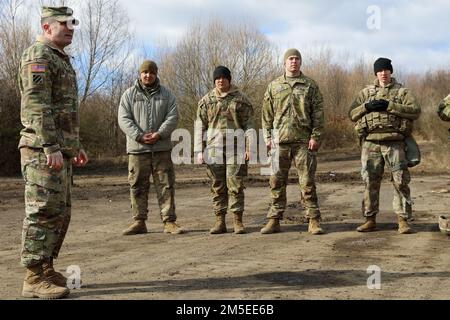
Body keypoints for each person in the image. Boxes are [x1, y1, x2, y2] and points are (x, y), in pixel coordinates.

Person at [18, 6, 87, 299]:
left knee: (60, 213)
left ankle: (45, 268)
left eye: (73, 23)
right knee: (43, 212)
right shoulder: (39, 56)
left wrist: (73, 146)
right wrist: (50, 145)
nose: (71, 28)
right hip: (41, 151)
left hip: (59, 151)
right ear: (47, 27)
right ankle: (33, 277)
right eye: (64, 23)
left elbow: (62, 110)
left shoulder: (59, 59)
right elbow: (36, 106)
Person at [348, 57, 421, 234]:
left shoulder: (402, 92)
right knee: (370, 181)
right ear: (376, 73)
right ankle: (370, 219)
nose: (383, 73)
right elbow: (352, 113)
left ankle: (402, 221)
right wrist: (366, 106)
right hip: (371, 143)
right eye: (380, 71)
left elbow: (415, 111)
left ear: (391, 71)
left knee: (400, 180)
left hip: (395, 143)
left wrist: (390, 105)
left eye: (386, 70)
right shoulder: (366, 93)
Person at [261, 49, 325, 235]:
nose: (294, 62)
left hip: (303, 142)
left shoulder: (310, 85)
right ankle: (274, 220)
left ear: (300, 63)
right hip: (279, 142)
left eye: (297, 59)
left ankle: (313, 220)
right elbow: (266, 115)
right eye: (290, 59)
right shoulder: (274, 86)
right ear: (284, 63)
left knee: (307, 182)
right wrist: (267, 138)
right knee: (275, 181)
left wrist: (316, 136)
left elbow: (318, 114)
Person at [118, 60, 184, 236]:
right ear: (140, 74)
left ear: (156, 74)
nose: (148, 75)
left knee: (166, 185)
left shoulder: (167, 95)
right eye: (145, 72)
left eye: (151, 73)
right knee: (137, 185)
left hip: (161, 148)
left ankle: (169, 222)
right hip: (137, 149)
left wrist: (160, 133)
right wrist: (139, 135)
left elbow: (173, 116)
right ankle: (139, 222)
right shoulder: (129, 95)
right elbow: (123, 119)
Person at [195, 66, 254, 234]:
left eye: (223, 77)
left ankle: (237, 221)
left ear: (229, 79)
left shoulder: (241, 99)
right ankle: (220, 221)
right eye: (217, 78)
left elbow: (249, 124)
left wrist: (250, 148)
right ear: (214, 81)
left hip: (236, 149)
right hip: (214, 149)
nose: (220, 80)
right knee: (217, 186)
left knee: (235, 185)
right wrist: (199, 151)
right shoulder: (206, 101)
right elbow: (200, 126)